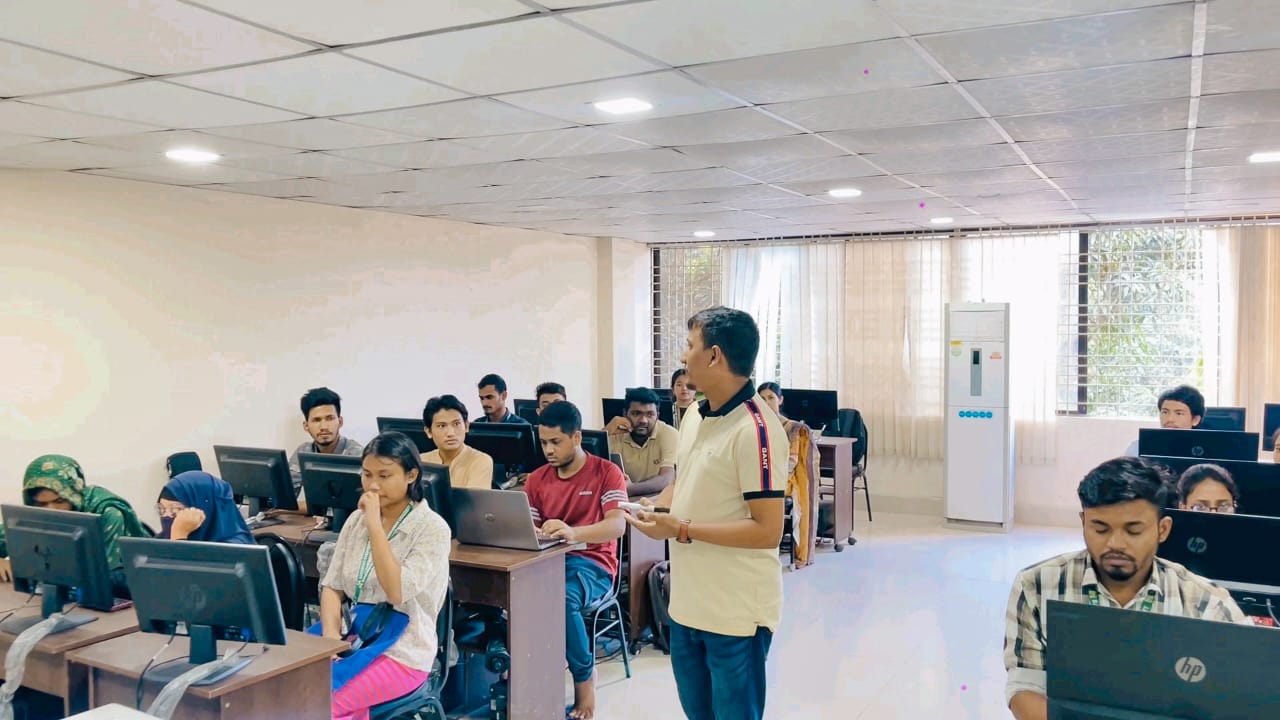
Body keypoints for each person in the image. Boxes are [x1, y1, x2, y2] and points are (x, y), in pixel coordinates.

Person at [628, 307, 787, 720]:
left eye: (690, 345)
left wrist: (681, 528)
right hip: (688, 604)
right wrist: (658, 506)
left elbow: (767, 530)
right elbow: (686, 480)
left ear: (714, 355)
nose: (683, 356)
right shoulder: (696, 414)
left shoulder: (756, 429)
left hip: (734, 613)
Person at [1004, 457, 1252, 720]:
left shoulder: (1206, 601)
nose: (1115, 543)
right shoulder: (1038, 585)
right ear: (1084, 522)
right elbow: (1024, 688)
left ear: (1163, 529)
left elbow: (1247, 691)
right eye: (1100, 529)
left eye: (1133, 531)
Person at [319, 432, 451, 720]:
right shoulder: (356, 520)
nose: (373, 485)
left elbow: (395, 591)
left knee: (321, 706)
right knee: (286, 687)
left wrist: (375, 526)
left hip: (404, 652)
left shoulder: (432, 528)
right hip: (354, 635)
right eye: (367, 475)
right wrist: (330, 638)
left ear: (411, 475)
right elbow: (332, 586)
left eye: (384, 475)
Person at [526, 401, 627, 720]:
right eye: (544, 442)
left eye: (556, 442)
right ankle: (524, 675)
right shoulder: (536, 479)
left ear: (577, 437)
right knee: (512, 594)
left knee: (561, 598)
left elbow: (617, 525)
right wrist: (536, 532)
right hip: (548, 561)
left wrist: (573, 532)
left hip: (594, 564)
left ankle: (585, 680)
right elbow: (528, 530)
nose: (548, 450)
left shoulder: (606, 472)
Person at [0, 455, 149, 597]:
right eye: (41, 504)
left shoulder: (107, 512)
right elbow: (8, 535)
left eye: (59, 501)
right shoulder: (35, 515)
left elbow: (105, 574)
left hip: (125, 590)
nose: (51, 510)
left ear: (74, 495)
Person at [758, 381, 818, 568]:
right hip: (757, 475)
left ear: (780, 400)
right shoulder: (753, 426)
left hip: (783, 478)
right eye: (762, 399)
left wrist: (768, 473)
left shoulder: (792, 428)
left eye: (771, 398)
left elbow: (791, 463)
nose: (766, 403)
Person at [289, 387, 363, 506]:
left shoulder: (357, 454)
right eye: (316, 420)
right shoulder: (304, 451)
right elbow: (285, 497)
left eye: (330, 418)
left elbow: (360, 505)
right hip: (315, 518)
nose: (324, 427)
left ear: (340, 422)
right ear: (306, 426)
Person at [605, 387, 677, 498]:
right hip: (622, 499)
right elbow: (588, 468)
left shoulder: (669, 434)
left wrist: (631, 488)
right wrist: (605, 432)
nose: (643, 420)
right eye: (636, 413)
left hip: (657, 499)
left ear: (657, 415)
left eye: (650, 414)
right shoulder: (615, 432)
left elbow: (666, 479)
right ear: (625, 414)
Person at [157, 471, 254, 543]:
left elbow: (181, 565)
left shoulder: (235, 549)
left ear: (204, 510)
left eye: (176, 510)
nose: (166, 516)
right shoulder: (163, 538)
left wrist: (179, 537)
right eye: (162, 509)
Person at [420, 394, 495, 489]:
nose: (450, 433)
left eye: (456, 424)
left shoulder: (480, 461)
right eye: (441, 426)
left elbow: (473, 499)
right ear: (428, 431)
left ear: (466, 426)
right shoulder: (420, 461)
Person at [1123, 384, 1205, 456]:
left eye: (1179, 413)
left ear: (1195, 420)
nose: (1170, 419)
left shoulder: (1206, 450)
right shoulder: (1138, 447)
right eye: (1165, 412)